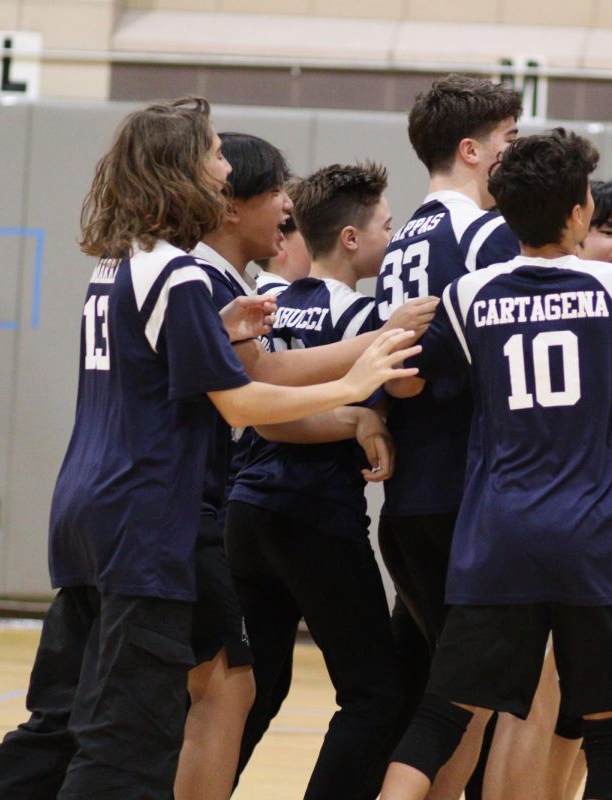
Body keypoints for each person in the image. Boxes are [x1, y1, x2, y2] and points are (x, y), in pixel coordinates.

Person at [0, 97, 419, 800]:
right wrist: (351, 385)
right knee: (127, 743)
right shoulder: (177, 275)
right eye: (213, 154)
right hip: (145, 520)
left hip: (85, 514)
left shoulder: (123, 262)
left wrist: (225, 329)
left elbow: (201, 369)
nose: (223, 166)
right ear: (180, 170)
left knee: (64, 722)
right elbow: (243, 401)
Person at [379, 128, 612, 800]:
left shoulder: (471, 294)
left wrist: (376, 391)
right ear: (577, 213)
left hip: (496, 537)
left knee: (438, 718)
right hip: (591, 545)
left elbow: (405, 382)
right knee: (610, 739)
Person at [225, 162, 405, 799]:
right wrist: (365, 415)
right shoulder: (366, 321)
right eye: (388, 224)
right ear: (351, 239)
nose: (397, 234)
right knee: (375, 698)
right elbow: (392, 399)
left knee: (253, 691)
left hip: (246, 515)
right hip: (315, 518)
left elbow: (261, 403)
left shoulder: (269, 308)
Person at [481, 177, 612, 800]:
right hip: (563, 537)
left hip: (535, 528)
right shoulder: (597, 299)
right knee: (542, 699)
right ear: (575, 223)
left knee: (575, 716)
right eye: (609, 229)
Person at [372, 73, 523, 797]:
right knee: (468, 701)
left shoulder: (404, 239)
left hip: (409, 499)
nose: (515, 156)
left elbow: (394, 366)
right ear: (472, 150)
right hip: (466, 493)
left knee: (452, 693)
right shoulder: (488, 235)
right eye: (508, 142)